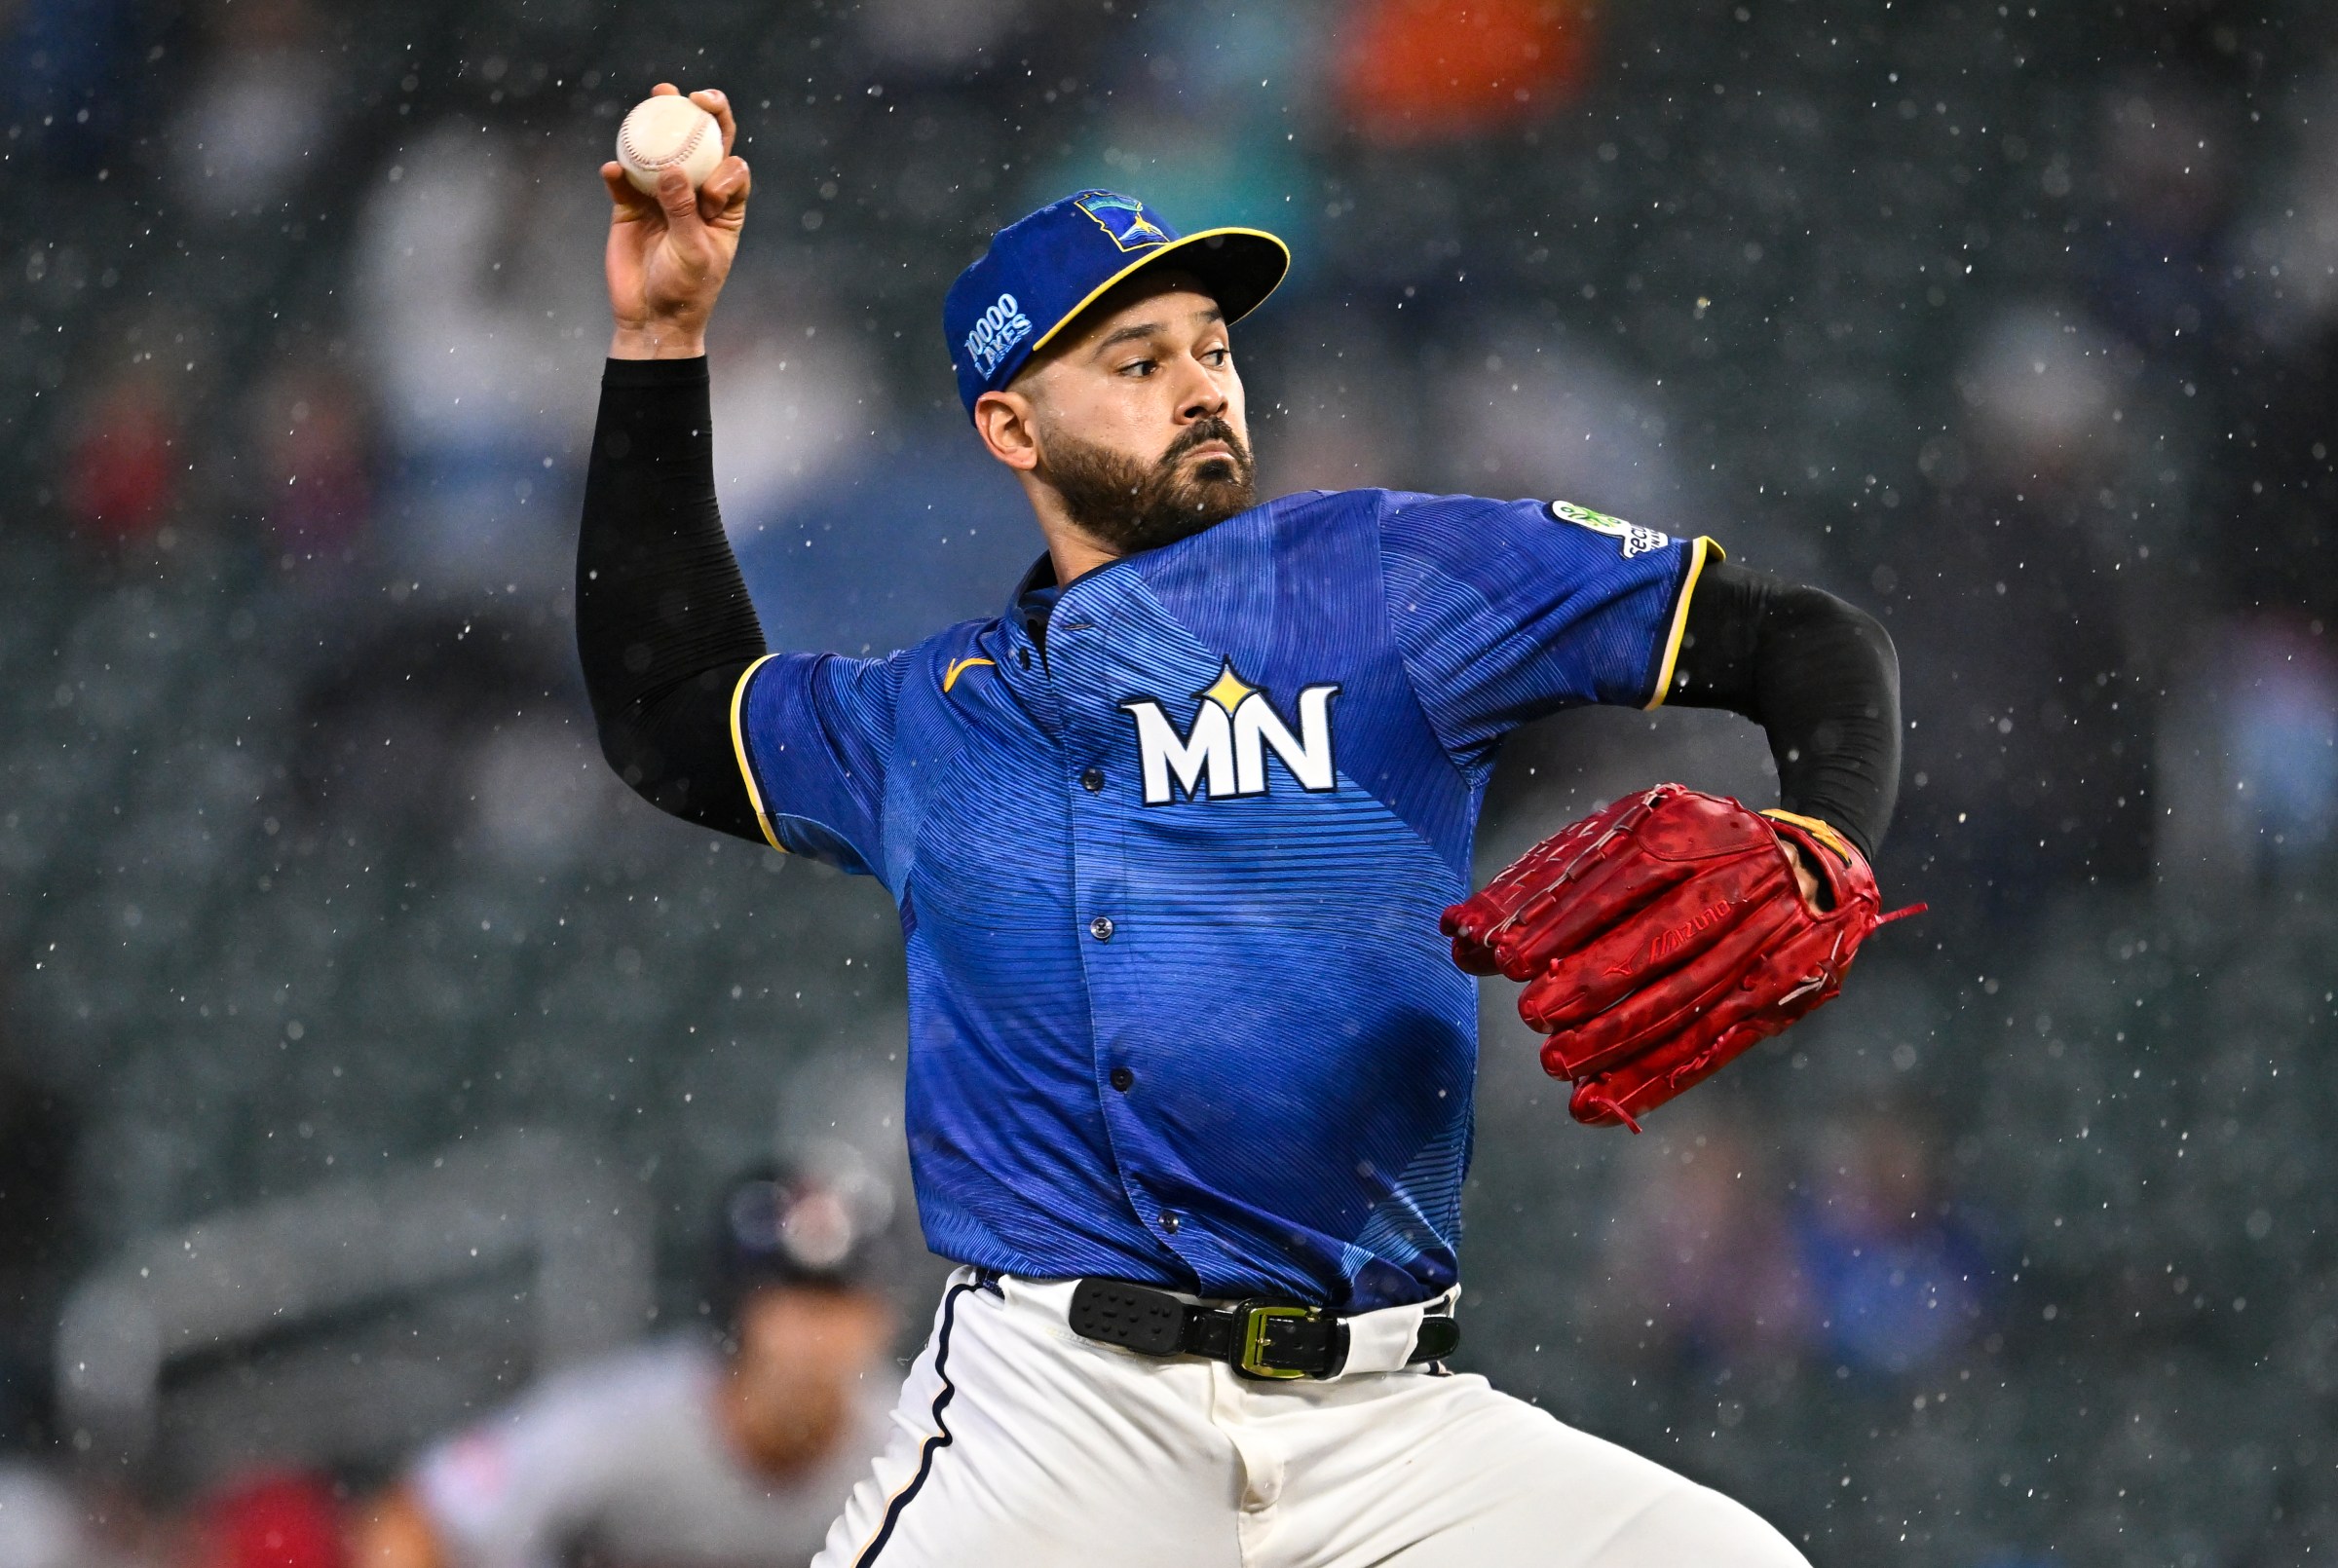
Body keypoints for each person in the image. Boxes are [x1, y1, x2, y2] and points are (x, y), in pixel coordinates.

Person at [576, 84, 1901, 1568]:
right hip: (1065, 1416)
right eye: (1136, 360)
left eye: (1214, 348)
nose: (1203, 384)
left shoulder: (1383, 575)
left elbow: (1803, 638)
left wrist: (1826, 835)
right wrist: (659, 339)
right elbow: (674, 711)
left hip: (1394, 1424)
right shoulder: (927, 720)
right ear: (1009, 424)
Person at [356, 1166, 897, 1568]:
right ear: (738, 1316)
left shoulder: (920, 1445)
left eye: (841, 1305)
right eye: (793, 1303)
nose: (818, 1336)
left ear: (882, 1319)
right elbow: (414, 1521)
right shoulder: (618, 1421)